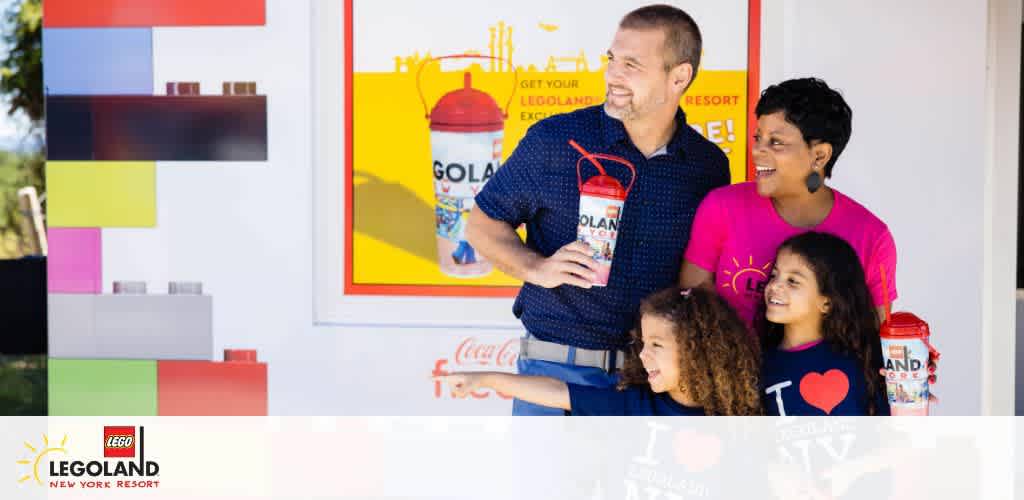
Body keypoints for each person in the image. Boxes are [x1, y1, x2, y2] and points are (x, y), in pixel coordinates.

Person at [468, 5, 730, 415]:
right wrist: (536, 268)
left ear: (679, 76)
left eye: (631, 65)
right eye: (612, 60)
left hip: (651, 384)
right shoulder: (555, 140)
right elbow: (482, 222)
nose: (612, 75)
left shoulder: (706, 166)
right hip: (554, 371)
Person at [680, 78, 896, 330]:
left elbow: (876, 339)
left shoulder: (872, 237)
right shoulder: (721, 207)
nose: (757, 150)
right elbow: (691, 312)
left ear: (819, 155)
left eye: (776, 142)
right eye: (758, 138)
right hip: (727, 368)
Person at [436, 287, 761, 415]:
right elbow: (557, 391)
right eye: (643, 344)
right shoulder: (636, 404)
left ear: (697, 350)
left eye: (657, 345)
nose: (643, 355)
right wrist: (483, 378)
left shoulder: (737, 423)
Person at [759, 232, 889, 416]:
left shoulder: (863, 360)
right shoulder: (758, 366)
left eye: (792, 281)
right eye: (774, 276)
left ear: (827, 303)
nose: (774, 286)